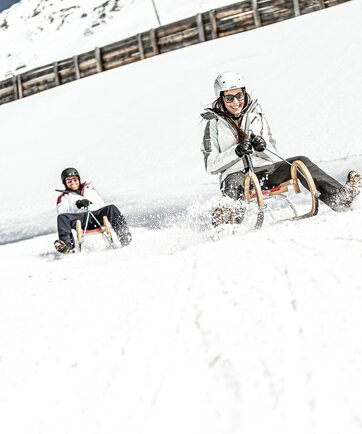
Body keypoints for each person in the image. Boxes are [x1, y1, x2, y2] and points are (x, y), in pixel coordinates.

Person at [201, 71, 360, 222]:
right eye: (229, 98)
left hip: (266, 171)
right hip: (237, 177)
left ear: (244, 93)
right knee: (232, 184)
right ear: (221, 99)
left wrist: (261, 147)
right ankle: (227, 224)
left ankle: (340, 198)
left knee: (300, 162)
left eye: (239, 96)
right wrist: (236, 152)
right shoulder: (213, 125)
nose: (236, 102)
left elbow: (273, 152)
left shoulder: (256, 115)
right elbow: (211, 165)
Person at [54, 167, 132, 253]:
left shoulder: (90, 190)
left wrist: (90, 204)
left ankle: (124, 236)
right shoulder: (64, 197)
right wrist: (77, 204)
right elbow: (61, 212)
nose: (72, 182)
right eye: (69, 181)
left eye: (74, 179)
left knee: (111, 208)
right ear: (65, 183)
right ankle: (66, 246)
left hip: (96, 216)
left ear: (78, 179)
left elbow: (101, 205)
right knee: (62, 218)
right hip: (80, 220)